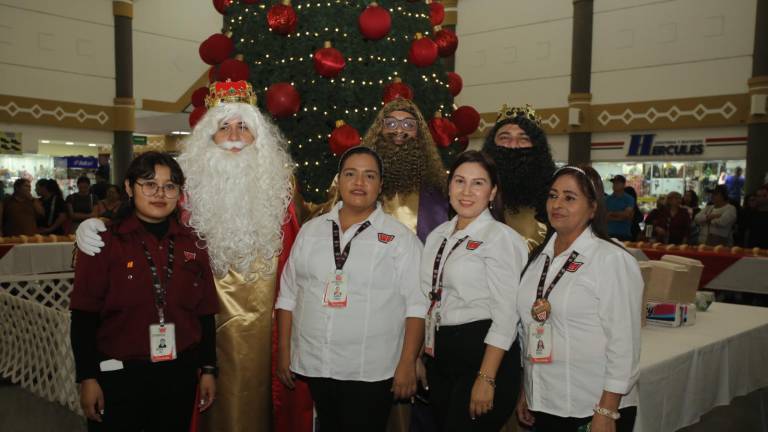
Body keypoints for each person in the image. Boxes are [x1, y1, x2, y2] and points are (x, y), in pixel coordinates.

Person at [75, 80, 303, 432]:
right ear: (207, 137)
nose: (233, 135)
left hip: (263, 325)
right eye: (223, 126)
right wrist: (97, 224)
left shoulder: (281, 186)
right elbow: (141, 218)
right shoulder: (186, 189)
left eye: (243, 126)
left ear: (260, 136)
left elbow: (309, 239)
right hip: (187, 334)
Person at [276, 147, 426, 431]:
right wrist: (285, 351)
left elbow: (417, 305)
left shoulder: (399, 239)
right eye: (351, 174)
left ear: (380, 185)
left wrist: (408, 362)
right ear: (339, 180)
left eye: (369, 176)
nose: (359, 183)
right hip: (316, 363)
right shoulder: (311, 231)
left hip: (370, 369)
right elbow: (287, 295)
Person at [69, 151, 219, 431]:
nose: (160, 193)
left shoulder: (193, 244)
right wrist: (87, 378)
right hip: (119, 375)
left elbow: (205, 313)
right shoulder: (104, 242)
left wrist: (209, 369)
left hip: (178, 374)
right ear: (129, 187)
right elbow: (83, 315)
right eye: (149, 184)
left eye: (170, 186)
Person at [515, 165, 642, 432]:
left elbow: (624, 343)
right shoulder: (538, 258)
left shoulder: (611, 259)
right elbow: (529, 330)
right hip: (546, 401)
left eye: (569, 198)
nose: (557, 204)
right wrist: (528, 389)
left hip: (592, 405)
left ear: (593, 208)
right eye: (553, 195)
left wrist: (607, 409)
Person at [422, 150, 527, 431]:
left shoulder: (501, 238)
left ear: (492, 192)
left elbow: (507, 314)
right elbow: (428, 297)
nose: (466, 191)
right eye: (459, 181)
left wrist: (487, 377)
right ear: (449, 186)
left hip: (483, 354)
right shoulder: (437, 235)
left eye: (478, 183)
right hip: (441, 353)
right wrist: (421, 354)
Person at [359, 97, 449, 241]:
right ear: (380, 130)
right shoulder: (360, 183)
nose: (399, 130)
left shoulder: (437, 190)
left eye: (408, 125)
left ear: (419, 134)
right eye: (391, 123)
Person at [482, 104, 556, 251]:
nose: (513, 145)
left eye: (523, 139)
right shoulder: (477, 188)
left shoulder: (554, 191)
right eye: (505, 138)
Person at [604, 175, 635, 241]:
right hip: (609, 234)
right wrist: (620, 216)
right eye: (614, 183)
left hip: (624, 235)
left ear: (623, 185)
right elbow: (604, 216)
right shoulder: (607, 199)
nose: (615, 185)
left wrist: (611, 214)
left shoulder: (629, 199)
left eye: (617, 183)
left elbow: (627, 215)